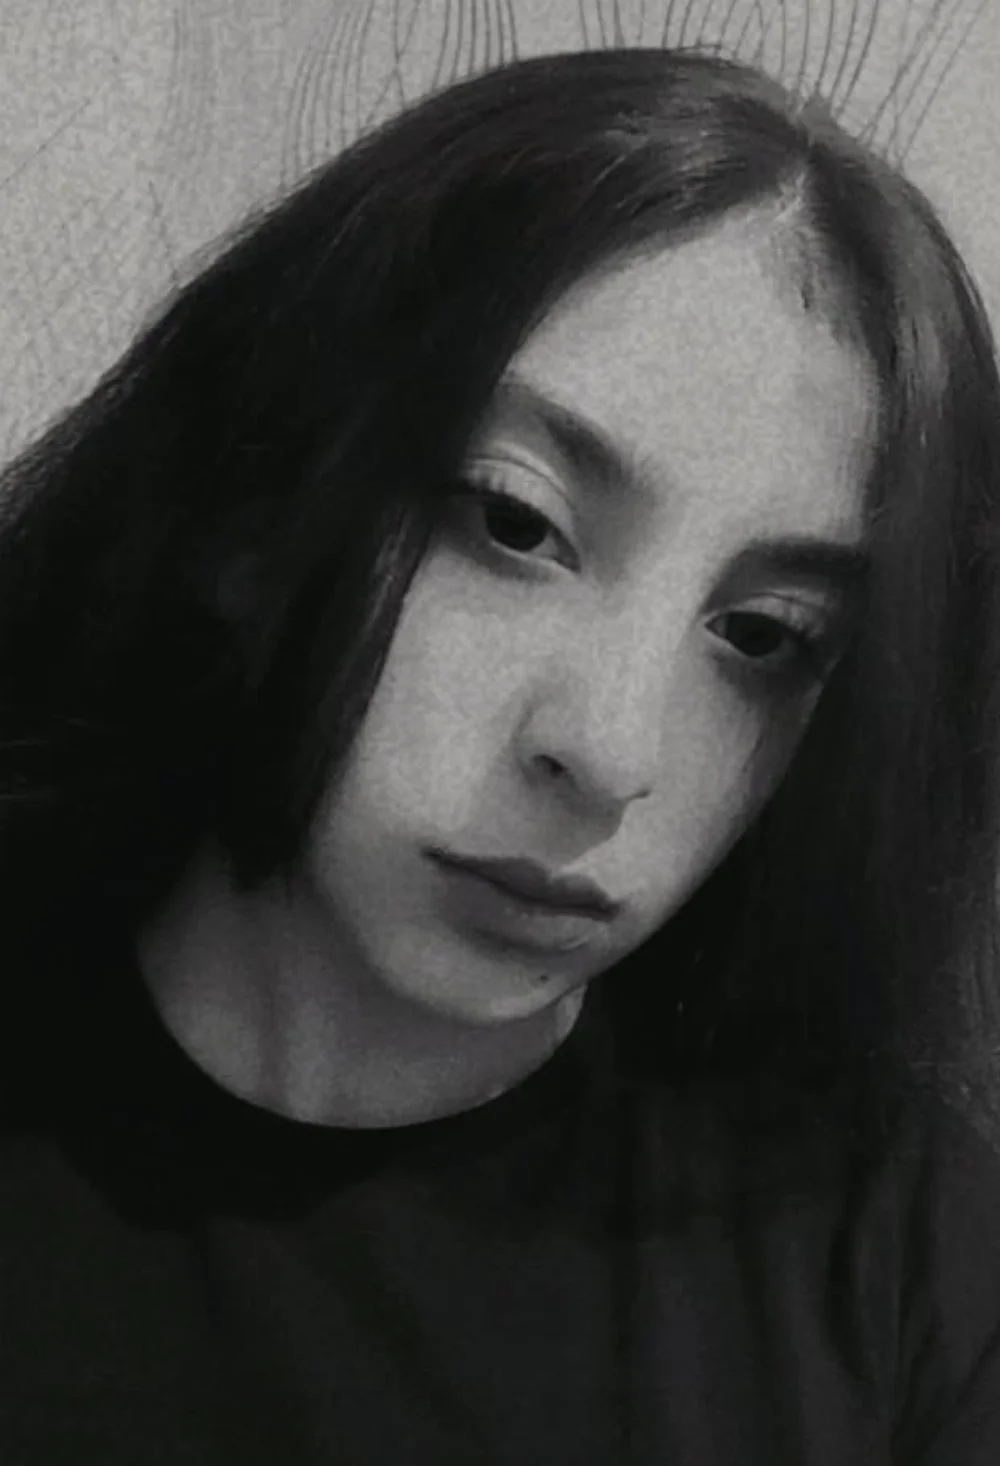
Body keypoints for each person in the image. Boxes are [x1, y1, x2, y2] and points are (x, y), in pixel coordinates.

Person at [1, 43, 1000, 1465]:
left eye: (765, 636)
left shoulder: (898, 1262)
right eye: (514, 523)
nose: (612, 749)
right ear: (259, 496)